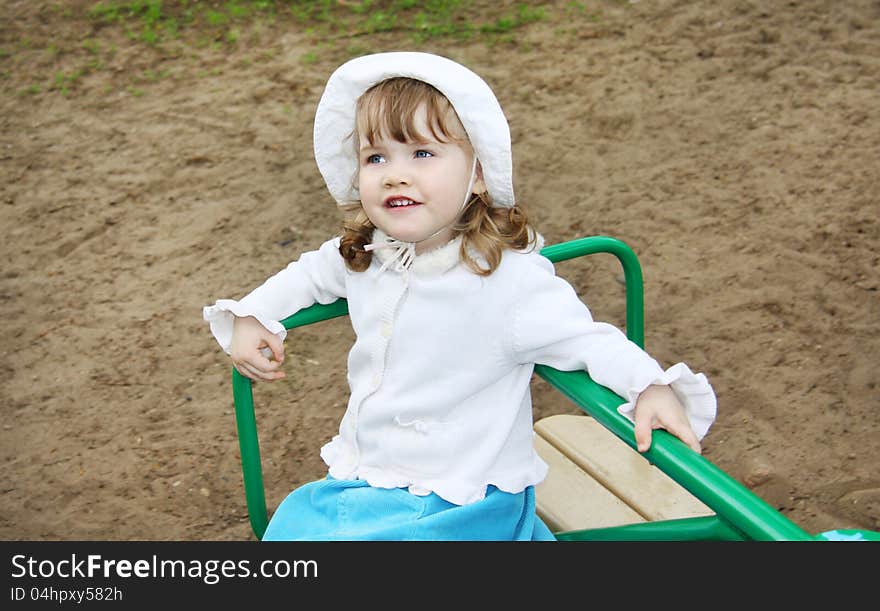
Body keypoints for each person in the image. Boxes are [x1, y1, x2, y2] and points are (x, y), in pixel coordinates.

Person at [203, 52, 717, 541]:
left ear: (477, 175)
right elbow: (311, 272)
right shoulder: (373, 251)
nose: (396, 172)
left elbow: (588, 340)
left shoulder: (508, 281)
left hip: (463, 499)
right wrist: (253, 314)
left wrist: (650, 386)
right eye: (375, 156)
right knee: (296, 522)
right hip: (377, 479)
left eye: (422, 153)